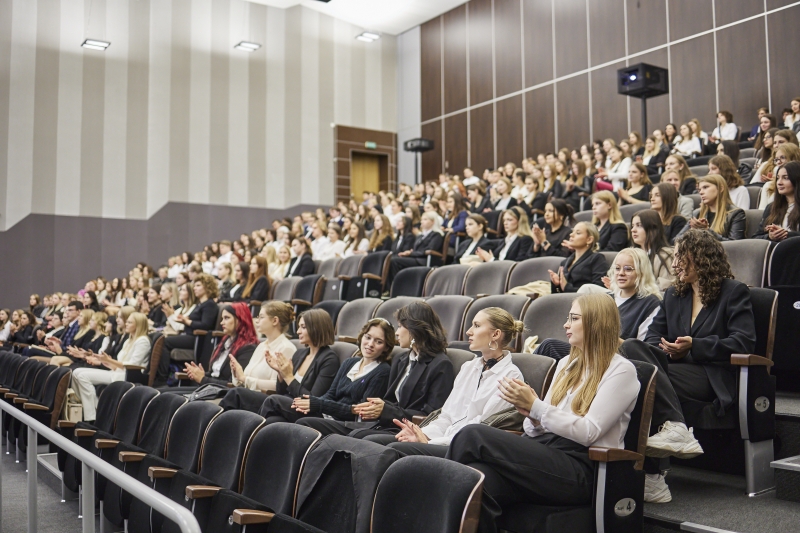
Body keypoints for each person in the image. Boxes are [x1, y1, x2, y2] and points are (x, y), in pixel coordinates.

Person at [446, 294, 641, 533]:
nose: (565, 325)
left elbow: (590, 432)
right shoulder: (566, 363)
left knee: (472, 435)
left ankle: (436, 495)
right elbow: (534, 430)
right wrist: (530, 413)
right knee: (477, 481)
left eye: (574, 318)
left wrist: (537, 407)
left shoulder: (622, 370)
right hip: (547, 453)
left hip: (582, 466)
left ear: (596, 322)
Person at [621, 230, 755, 502]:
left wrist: (694, 346)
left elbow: (743, 342)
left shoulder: (733, 292)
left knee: (639, 376)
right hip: (673, 370)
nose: (675, 264)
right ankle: (670, 440)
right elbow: (650, 339)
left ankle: (653, 475)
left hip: (711, 375)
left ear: (703, 258)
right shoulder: (674, 295)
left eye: (682, 256)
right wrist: (669, 351)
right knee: (632, 351)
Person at [372, 308, 524, 458]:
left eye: (476, 326)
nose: (469, 331)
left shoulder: (511, 377)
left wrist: (429, 442)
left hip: (462, 448)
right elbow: (447, 416)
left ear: (495, 334)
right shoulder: (469, 367)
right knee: (373, 442)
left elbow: (478, 430)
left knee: (392, 449)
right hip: (441, 439)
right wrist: (422, 434)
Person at [299, 302, 455, 439]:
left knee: (357, 436)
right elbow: (389, 401)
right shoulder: (403, 360)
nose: (397, 333)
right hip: (384, 424)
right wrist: (378, 407)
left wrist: (385, 410)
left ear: (414, 330)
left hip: (406, 431)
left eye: (400, 326)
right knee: (305, 423)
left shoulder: (440, 365)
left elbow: (430, 416)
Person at [261, 318, 393, 425]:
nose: (370, 344)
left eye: (378, 342)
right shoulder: (349, 363)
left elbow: (359, 412)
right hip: (326, 413)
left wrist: (318, 404)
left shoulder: (382, 371)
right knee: (275, 420)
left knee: (273, 401)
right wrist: (311, 404)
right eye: (368, 337)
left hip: (344, 423)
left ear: (386, 347)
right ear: (362, 336)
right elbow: (329, 395)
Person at [70, 312, 151, 422]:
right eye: (126, 321)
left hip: (127, 376)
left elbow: (132, 365)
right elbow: (119, 363)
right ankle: (94, 409)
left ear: (139, 325)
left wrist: (109, 360)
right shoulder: (129, 340)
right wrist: (106, 361)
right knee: (76, 372)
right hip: (117, 372)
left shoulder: (143, 341)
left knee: (82, 376)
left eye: (130, 322)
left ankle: (92, 416)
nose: (126, 324)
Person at [220, 302, 298, 411]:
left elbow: (277, 386)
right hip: (249, 395)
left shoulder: (286, 348)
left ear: (275, 321)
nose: (257, 321)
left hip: (268, 401)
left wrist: (245, 379)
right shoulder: (261, 345)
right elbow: (245, 377)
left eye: (261, 317)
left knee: (234, 394)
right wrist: (238, 374)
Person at [166, 302, 257, 393]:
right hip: (210, 389)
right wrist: (199, 373)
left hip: (221, 394)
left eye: (226, 318)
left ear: (240, 320)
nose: (222, 322)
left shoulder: (248, 348)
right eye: (222, 318)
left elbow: (233, 385)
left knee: (168, 397)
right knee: (163, 394)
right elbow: (215, 374)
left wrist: (203, 379)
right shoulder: (225, 342)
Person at [156, 274, 220, 386]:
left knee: (164, 341)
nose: (194, 288)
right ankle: (159, 376)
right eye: (194, 285)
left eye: (198, 285)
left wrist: (187, 321)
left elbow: (206, 325)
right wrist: (184, 320)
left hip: (198, 339)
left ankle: (162, 379)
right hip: (190, 335)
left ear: (207, 287)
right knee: (159, 338)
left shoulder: (209, 304)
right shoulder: (200, 305)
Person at [548, 222, 607, 293]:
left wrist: (567, 287)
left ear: (589, 240)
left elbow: (598, 290)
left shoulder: (597, 258)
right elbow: (557, 294)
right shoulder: (564, 262)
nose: (571, 235)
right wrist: (556, 284)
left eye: (578, 233)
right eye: (572, 231)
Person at [387, 212, 445, 282]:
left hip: (424, 260)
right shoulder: (420, 236)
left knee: (394, 261)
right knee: (392, 259)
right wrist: (410, 252)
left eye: (425, 219)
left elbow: (430, 249)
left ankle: (396, 286)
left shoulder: (436, 235)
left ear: (432, 222)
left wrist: (411, 253)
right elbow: (415, 250)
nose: (422, 221)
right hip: (415, 258)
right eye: (422, 219)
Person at [685, 174, 746, 241]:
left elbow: (735, 244)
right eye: (699, 190)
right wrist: (690, 232)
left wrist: (706, 231)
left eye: (705, 187)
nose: (701, 192)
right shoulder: (697, 213)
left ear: (721, 188)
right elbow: (677, 239)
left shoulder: (736, 213)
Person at [630, 210, 676, 290]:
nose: (633, 230)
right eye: (632, 226)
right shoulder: (629, 254)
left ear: (653, 229)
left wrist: (633, 289)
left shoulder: (667, 255)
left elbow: (665, 287)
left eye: (639, 225)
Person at [754, 161, 800, 241]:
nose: (779, 182)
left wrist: (787, 234)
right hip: (774, 251)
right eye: (778, 178)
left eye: (785, 178)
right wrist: (769, 236)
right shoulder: (771, 207)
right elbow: (756, 238)